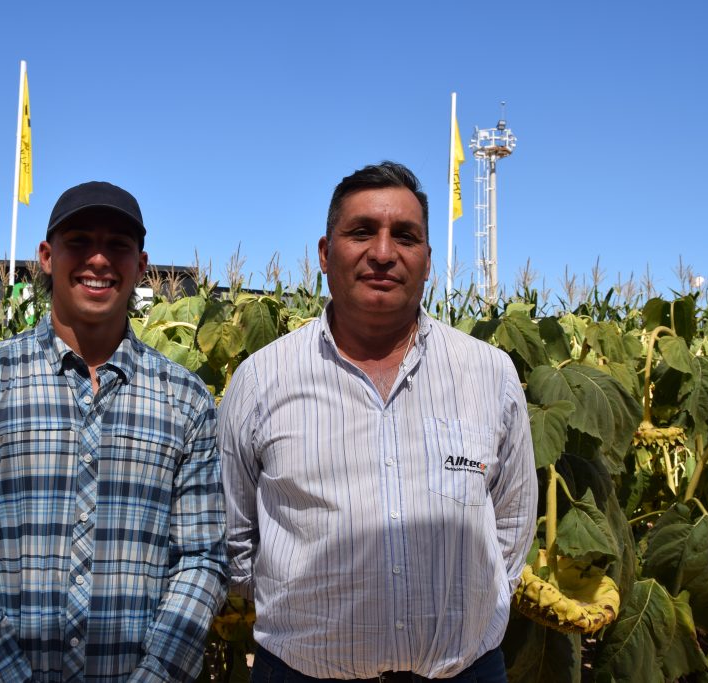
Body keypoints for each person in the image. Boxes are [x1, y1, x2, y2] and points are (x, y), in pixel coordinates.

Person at [218, 162, 537, 682]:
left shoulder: (490, 374)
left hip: (463, 671)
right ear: (325, 254)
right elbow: (236, 536)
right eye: (362, 231)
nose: (384, 253)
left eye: (405, 237)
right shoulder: (261, 379)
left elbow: (512, 524)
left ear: (428, 261)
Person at [0, 181, 227, 682]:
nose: (98, 259)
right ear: (46, 256)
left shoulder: (186, 400)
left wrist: (157, 675)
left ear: (141, 266)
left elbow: (201, 556)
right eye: (79, 241)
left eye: (118, 246)